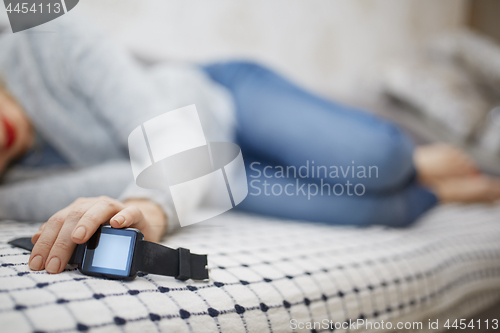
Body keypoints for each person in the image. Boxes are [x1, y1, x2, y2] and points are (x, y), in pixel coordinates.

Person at [0, 17, 499, 275]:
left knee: (380, 162)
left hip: (221, 102)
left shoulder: (42, 35)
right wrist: (139, 208)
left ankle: (412, 162)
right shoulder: (8, 191)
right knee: (388, 211)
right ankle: (437, 190)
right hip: (210, 178)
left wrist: (149, 204)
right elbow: (131, 186)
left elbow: (165, 128)